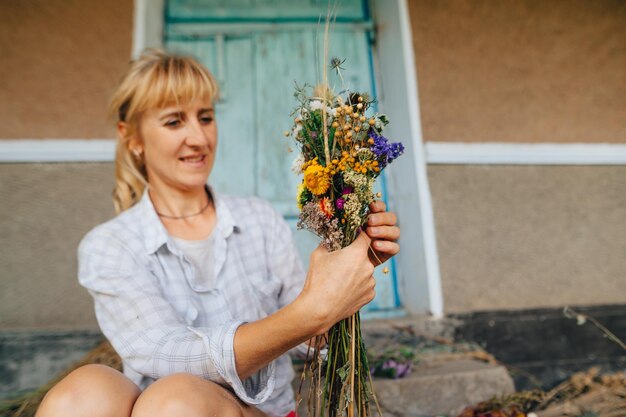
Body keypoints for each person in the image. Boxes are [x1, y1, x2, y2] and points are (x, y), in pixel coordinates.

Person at [35, 49, 400, 417]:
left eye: (205, 117)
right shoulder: (110, 246)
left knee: (175, 404)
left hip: (253, 411)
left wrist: (349, 263)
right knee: (81, 396)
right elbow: (169, 355)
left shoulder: (259, 219)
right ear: (132, 139)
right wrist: (308, 313)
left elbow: (313, 344)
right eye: (174, 122)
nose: (198, 138)